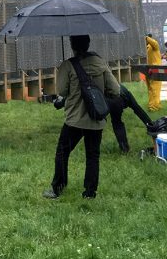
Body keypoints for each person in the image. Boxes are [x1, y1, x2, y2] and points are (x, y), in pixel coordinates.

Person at [43, 34, 121, 200]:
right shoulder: (101, 63)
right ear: (88, 44)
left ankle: (57, 188)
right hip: (96, 118)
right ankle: (90, 193)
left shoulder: (68, 65)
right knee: (93, 155)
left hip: (75, 119)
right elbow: (115, 90)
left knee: (63, 152)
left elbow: (62, 91)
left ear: (72, 45)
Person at [106, 84, 153, 153]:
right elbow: (138, 109)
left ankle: (124, 148)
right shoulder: (126, 93)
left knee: (117, 123)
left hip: (114, 98)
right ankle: (153, 128)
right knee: (137, 109)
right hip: (121, 93)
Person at [145, 34, 162, 111]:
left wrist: (146, 38)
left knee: (154, 88)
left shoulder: (154, 45)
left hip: (156, 69)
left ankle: (154, 106)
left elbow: (154, 43)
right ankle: (152, 105)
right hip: (150, 69)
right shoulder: (148, 47)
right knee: (151, 88)